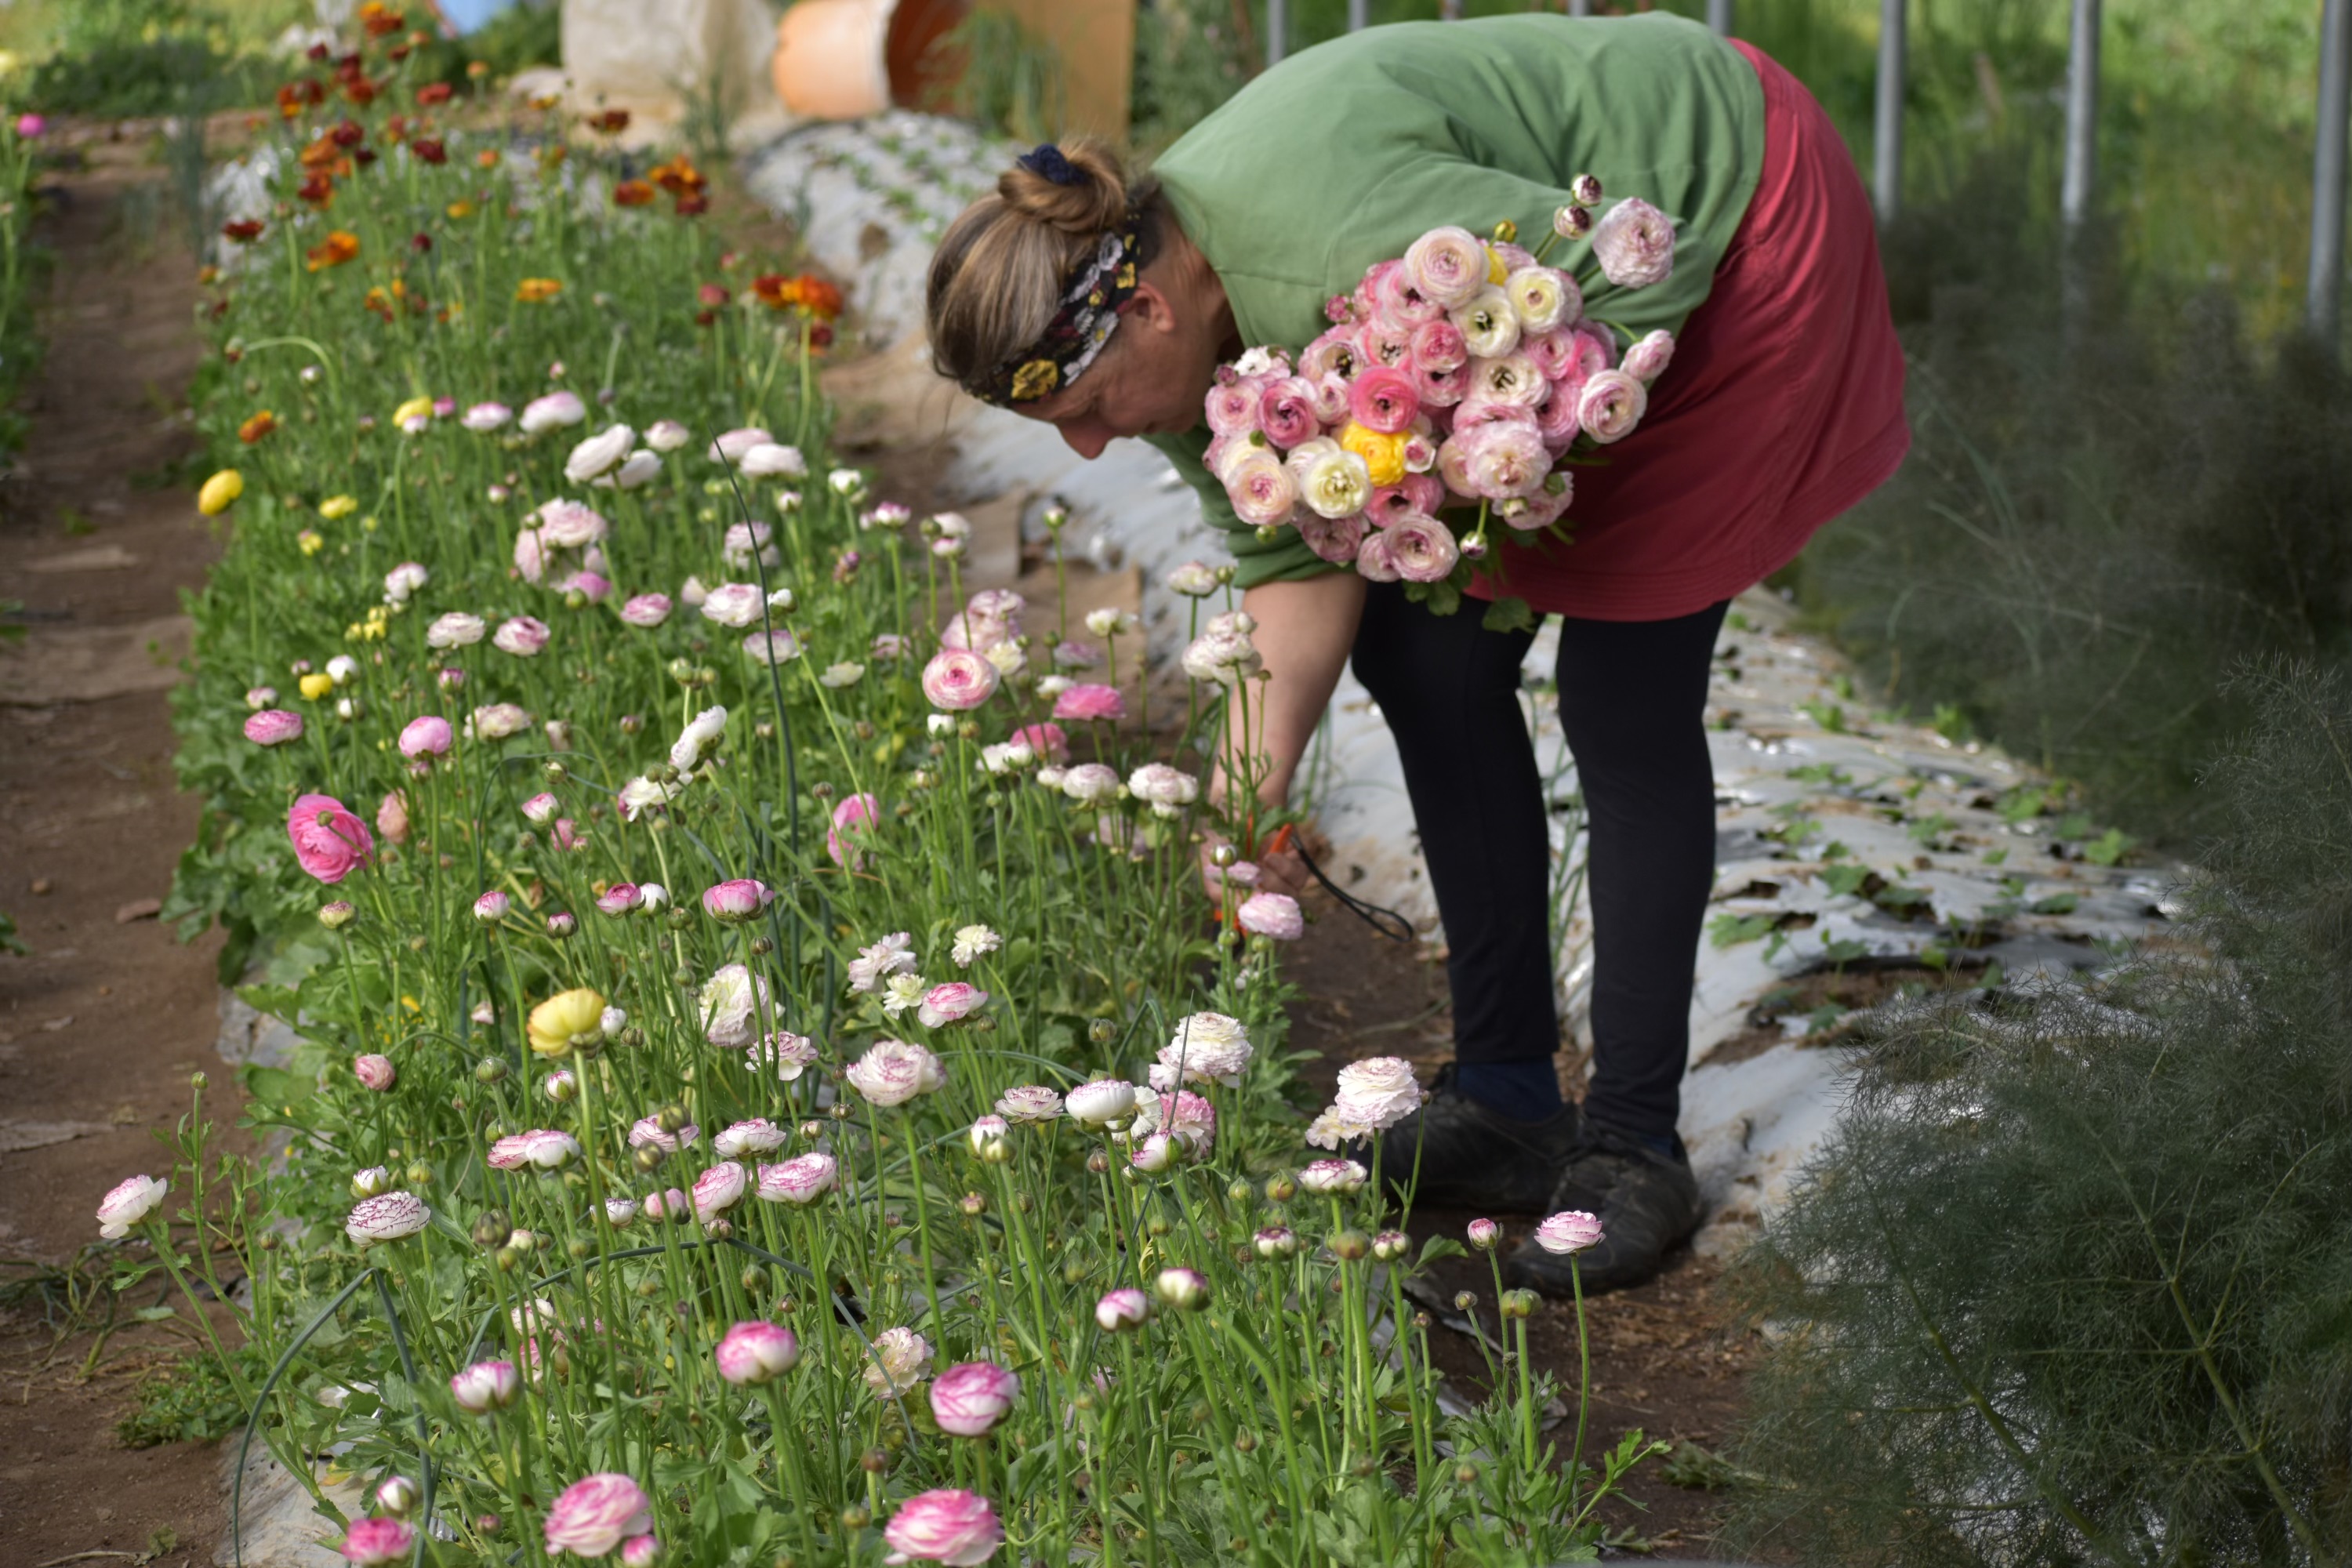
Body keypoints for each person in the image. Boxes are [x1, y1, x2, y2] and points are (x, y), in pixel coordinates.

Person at [924, 11, 1907, 1293]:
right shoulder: (1183, 340)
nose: (1093, 448)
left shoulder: (1336, 234)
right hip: (1555, 305)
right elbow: (1289, 562)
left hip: (1725, 212)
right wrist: (1241, 800)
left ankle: (1633, 1149)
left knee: (1623, 691)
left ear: (1148, 310)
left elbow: (1618, 263)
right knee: (1425, 658)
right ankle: (1506, 1105)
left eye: (1089, 410)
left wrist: (1474, 459)